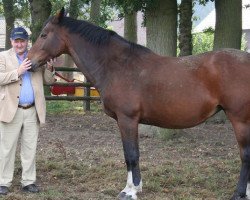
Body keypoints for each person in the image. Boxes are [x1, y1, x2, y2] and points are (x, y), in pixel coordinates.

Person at [0, 27, 55, 195]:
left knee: (29, 148)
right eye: (16, 41)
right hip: (11, 109)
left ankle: (28, 181)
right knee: (6, 149)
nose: (19, 44)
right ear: (11, 41)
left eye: (22, 41)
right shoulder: (3, 56)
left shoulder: (35, 56)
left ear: (27, 42)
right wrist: (19, 71)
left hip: (32, 110)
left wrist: (50, 69)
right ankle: (3, 182)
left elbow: (48, 81)